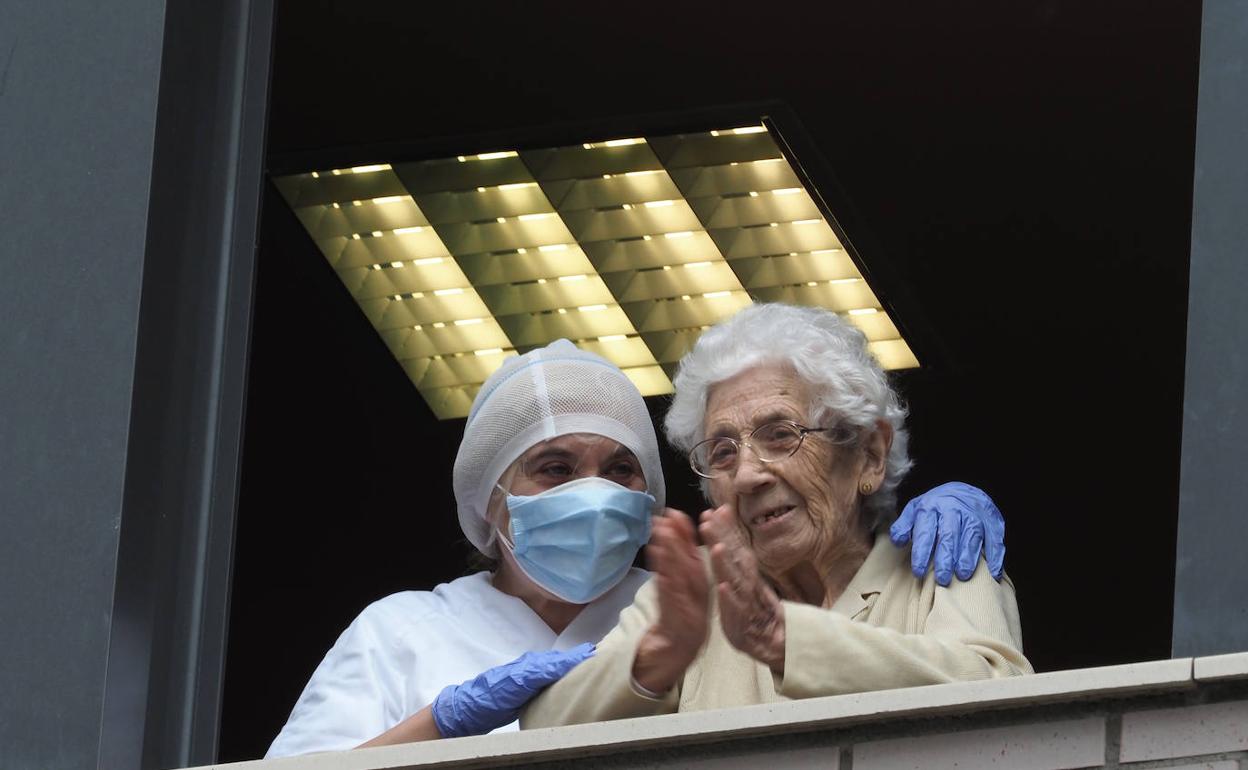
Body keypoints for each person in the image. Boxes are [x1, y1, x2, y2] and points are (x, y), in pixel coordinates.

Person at [267, 338, 1010, 757]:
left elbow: (1005, 708)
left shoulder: (683, 591)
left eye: (621, 469)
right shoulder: (400, 633)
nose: (593, 493)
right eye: (555, 468)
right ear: (491, 501)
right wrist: (439, 723)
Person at [521, 304, 1031, 728]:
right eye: (722, 452)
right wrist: (660, 653)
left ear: (869, 455)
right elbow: (544, 725)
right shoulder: (695, 594)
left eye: (781, 435)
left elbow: (1001, 695)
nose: (747, 476)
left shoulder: (937, 562)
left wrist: (784, 638)